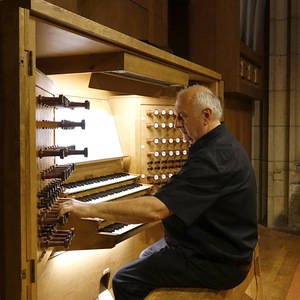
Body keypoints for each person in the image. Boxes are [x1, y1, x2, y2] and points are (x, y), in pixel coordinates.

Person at [58, 85, 258, 300]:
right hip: (221, 247)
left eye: (182, 117)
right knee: (147, 254)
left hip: (217, 261)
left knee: (124, 279)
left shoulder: (211, 158)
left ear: (206, 115)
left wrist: (88, 208)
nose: (176, 124)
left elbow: (155, 210)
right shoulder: (221, 143)